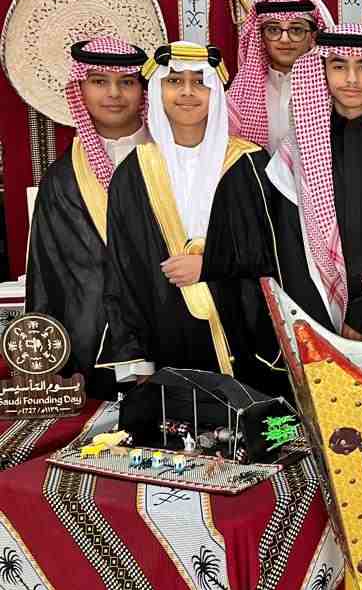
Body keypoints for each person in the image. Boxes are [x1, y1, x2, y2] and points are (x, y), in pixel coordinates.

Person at [203, 23, 362, 342]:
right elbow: (291, 247)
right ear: (323, 71)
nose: (352, 79)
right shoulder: (300, 144)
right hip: (318, 319)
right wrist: (318, 327)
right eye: (339, 66)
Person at [97, 42, 285, 397]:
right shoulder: (133, 172)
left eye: (199, 82)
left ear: (216, 93)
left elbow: (276, 253)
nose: (186, 92)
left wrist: (208, 264)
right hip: (165, 342)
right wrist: (137, 362)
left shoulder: (250, 163)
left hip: (246, 342)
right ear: (158, 91)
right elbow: (123, 272)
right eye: (174, 81)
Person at [26, 37, 149, 400]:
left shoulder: (176, 161)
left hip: (171, 337)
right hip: (92, 348)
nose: (114, 94)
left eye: (126, 82)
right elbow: (46, 275)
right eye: (99, 81)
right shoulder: (62, 179)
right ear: (79, 89)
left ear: (143, 90)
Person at [227, 0, 333, 152]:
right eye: (273, 30)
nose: (284, 39)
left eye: (296, 30)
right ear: (261, 38)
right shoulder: (239, 96)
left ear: (313, 38)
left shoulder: (334, 92)